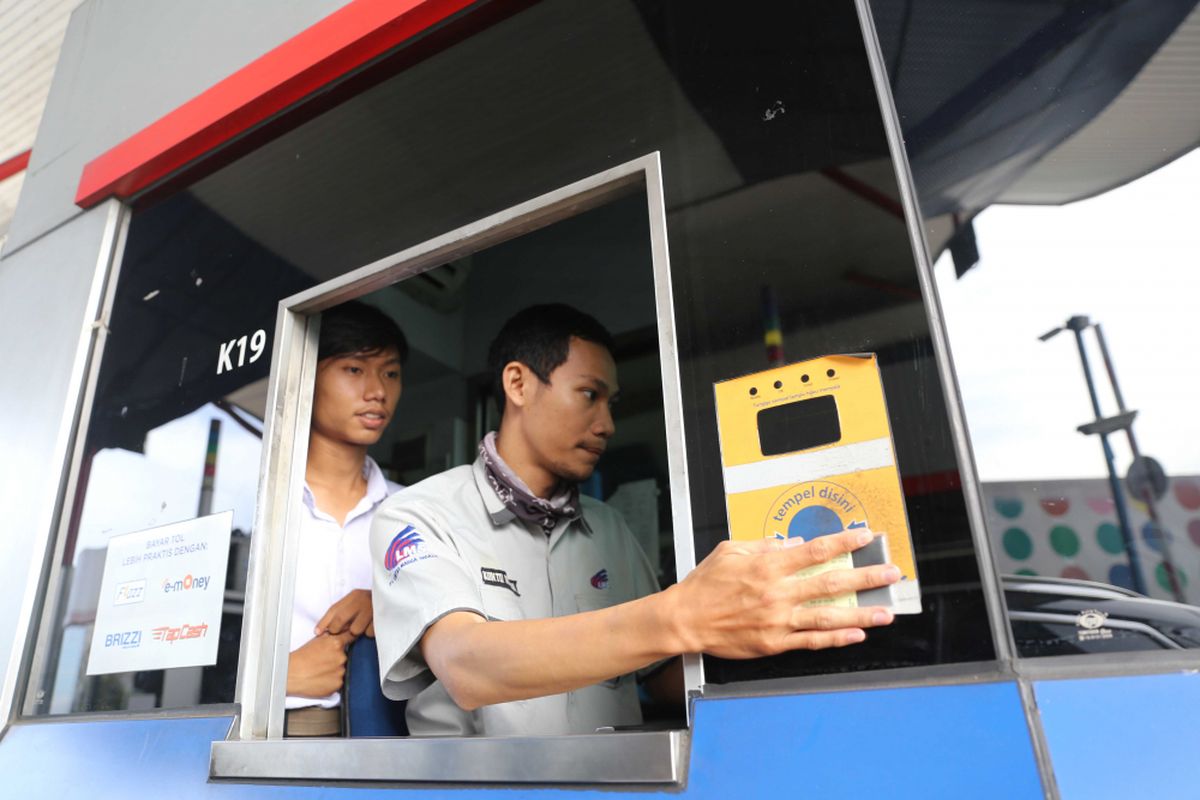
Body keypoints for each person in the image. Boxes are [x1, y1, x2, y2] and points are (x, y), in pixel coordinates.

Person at [369, 304, 900, 737]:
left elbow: (658, 674)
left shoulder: (610, 528)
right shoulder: (418, 515)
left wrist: (779, 635)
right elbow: (467, 666)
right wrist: (680, 613)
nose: (607, 424)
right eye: (588, 395)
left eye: (611, 402)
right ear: (518, 384)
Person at [284, 301, 408, 737]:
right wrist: (274, 679)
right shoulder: (260, 504)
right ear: (306, 377)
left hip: (389, 737)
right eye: (355, 369)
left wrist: (391, 602)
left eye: (390, 373)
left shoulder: (414, 513)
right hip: (270, 734)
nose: (378, 390)